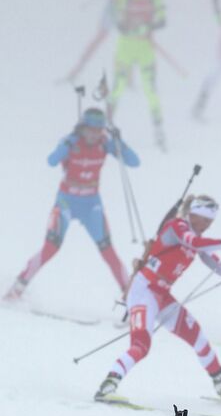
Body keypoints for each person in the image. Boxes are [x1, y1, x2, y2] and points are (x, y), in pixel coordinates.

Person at [94, 195, 221, 404]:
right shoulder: (177, 226)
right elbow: (194, 242)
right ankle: (107, 386)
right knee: (141, 345)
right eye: (205, 220)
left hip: (162, 295)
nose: (207, 226)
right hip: (143, 291)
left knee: (198, 337)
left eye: (211, 222)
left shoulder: (196, 236)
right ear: (194, 215)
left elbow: (218, 268)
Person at [4, 108, 139, 302]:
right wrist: (68, 143)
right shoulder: (72, 141)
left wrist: (120, 142)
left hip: (91, 205)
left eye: (98, 130)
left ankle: (132, 299)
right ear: (82, 128)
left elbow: (134, 162)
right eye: (90, 130)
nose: (94, 134)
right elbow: (52, 160)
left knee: (108, 251)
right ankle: (16, 289)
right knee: (51, 247)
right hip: (66, 202)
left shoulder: (105, 144)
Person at [109, 0, 168, 149]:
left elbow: (162, 20)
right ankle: (105, 127)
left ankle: (159, 130)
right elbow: (118, 22)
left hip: (145, 50)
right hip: (125, 49)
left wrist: (146, 27)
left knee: (150, 90)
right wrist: (127, 26)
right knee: (118, 86)